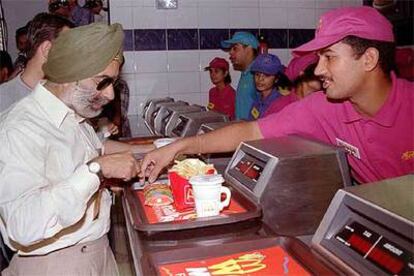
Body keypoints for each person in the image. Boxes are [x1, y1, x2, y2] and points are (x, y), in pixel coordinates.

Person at [139, 6, 413, 185]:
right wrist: (178, 147)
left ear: (369, 59)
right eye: (319, 58)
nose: (318, 70)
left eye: (329, 57)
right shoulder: (324, 108)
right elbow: (250, 131)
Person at [0, 22, 152, 275]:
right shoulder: (19, 128)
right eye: (102, 82)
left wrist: (105, 181)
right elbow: (23, 225)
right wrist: (96, 171)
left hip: (97, 254)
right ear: (71, 74)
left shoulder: (76, 119)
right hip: (56, 265)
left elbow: (67, 178)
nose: (111, 96)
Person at [0, 13, 74, 112]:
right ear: (47, 49)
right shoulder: (4, 99)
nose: (74, 56)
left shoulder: (66, 95)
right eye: (68, 49)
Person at [221, 31, 259, 120]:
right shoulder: (246, 73)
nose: (230, 52)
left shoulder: (259, 75)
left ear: (249, 48)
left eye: (235, 48)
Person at [247, 53, 286, 120]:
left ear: (276, 79)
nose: (260, 79)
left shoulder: (279, 103)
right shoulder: (257, 99)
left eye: (267, 75)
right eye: (257, 74)